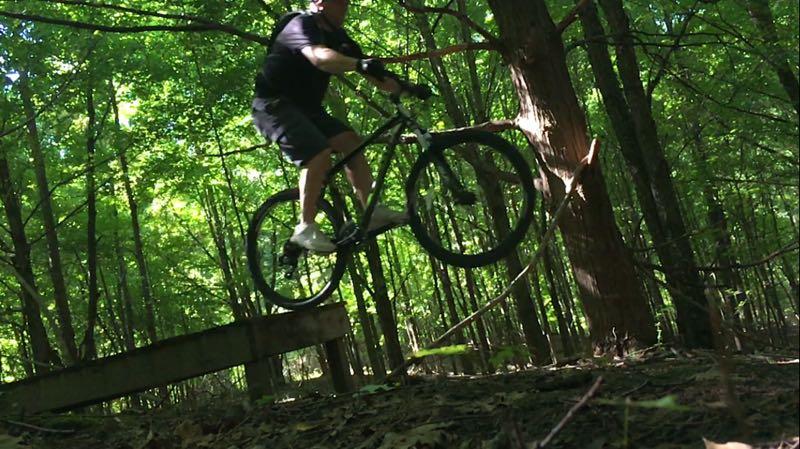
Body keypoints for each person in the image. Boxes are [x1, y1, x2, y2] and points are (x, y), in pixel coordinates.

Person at [252, 0, 407, 253]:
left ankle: (371, 211)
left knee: (351, 142)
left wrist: (406, 87)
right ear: (320, 3)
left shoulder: (340, 38)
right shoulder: (300, 24)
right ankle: (305, 226)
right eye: (340, 2)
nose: (345, 7)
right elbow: (319, 57)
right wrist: (358, 64)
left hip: (308, 111)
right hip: (273, 106)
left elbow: (375, 75)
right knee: (318, 152)